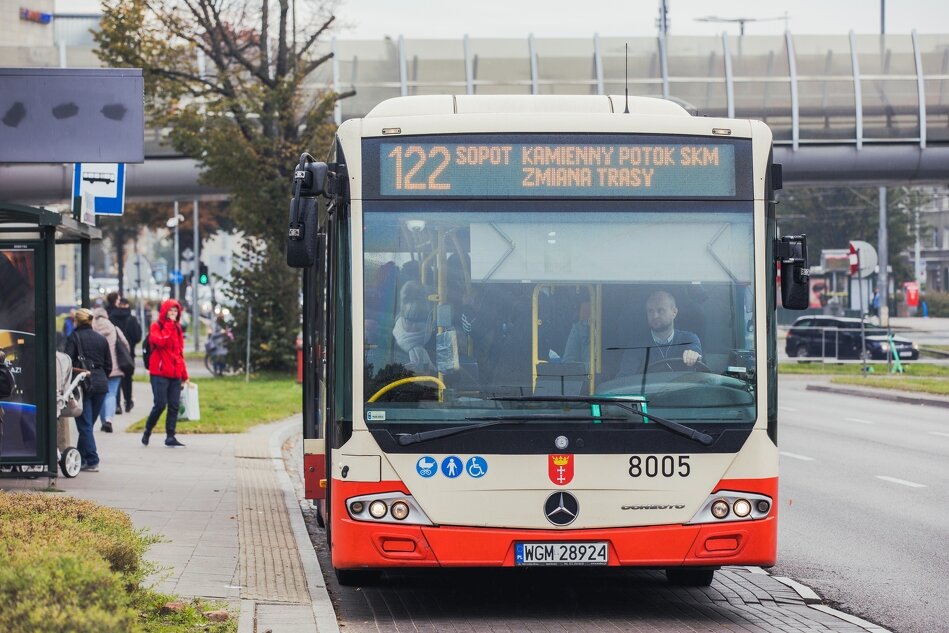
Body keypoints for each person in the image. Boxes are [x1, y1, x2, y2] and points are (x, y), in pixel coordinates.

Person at [63, 308, 112, 472]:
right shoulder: (101, 339)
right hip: (101, 384)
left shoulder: (74, 337)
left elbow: (67, 363)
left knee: (85, 426)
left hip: (82, 384)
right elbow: (108, 366)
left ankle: (92, 459)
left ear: (76, 321)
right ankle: (81, 459)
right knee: (88, 426)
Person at [617, 290, 703, 376]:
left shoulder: (689, 339)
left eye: (660, 310)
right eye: (650, 311)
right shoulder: (636, 345)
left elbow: (694, 351)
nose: (655, 316)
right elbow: (624, 378)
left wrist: (692, 355)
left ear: (674, 312)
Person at [142, 299, 189, 447]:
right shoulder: (157, 326)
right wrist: (169, 324)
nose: (173, 314)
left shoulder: (178, 328)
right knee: (160, 404)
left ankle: (170, 436)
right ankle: (148, 429)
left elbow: (179, 352)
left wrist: (184, 374)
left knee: (174, 405)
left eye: (176, 311)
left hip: (175, 373)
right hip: (159, 372)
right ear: (165, 311)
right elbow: (160, 341)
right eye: (171, 311)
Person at [92, 306, 130, 433]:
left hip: (99, 368)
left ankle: (103, 421)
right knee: (111, 394)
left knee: (102, 394)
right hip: (115, 367)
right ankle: (108, 420)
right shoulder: (114, 328)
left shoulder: (92, 329)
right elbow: (126, 345)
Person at [109, 297, 142, 412]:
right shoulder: (132, 319)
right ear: (127, 305)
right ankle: (128, 402)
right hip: (128, 353)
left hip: (115, 353)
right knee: (128, 378)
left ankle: (117, 404)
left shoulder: (111, 318)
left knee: (116, 377)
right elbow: (138, 336)